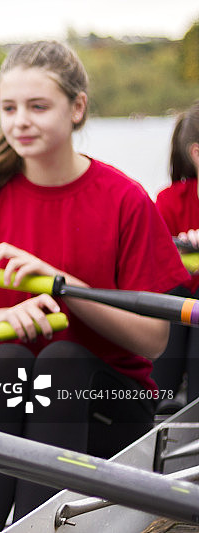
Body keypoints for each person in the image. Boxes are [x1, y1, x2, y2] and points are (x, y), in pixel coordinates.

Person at [0, 41, 189, 532]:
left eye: (38, 107)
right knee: (5, 360)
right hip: (21, 398)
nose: (20, 122)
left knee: (61, 358)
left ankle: (38, 524)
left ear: (77, 108)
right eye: (9, 108)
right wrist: (1, 318)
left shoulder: (125, 198)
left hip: (114, 407)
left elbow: (154, 341)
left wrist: (63, 287)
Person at [153, 100, 199, 411]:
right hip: (178, 309)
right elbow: (152, 270)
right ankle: (159, 406)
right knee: (175, 297)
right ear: (196, 153)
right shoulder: (168, 202)